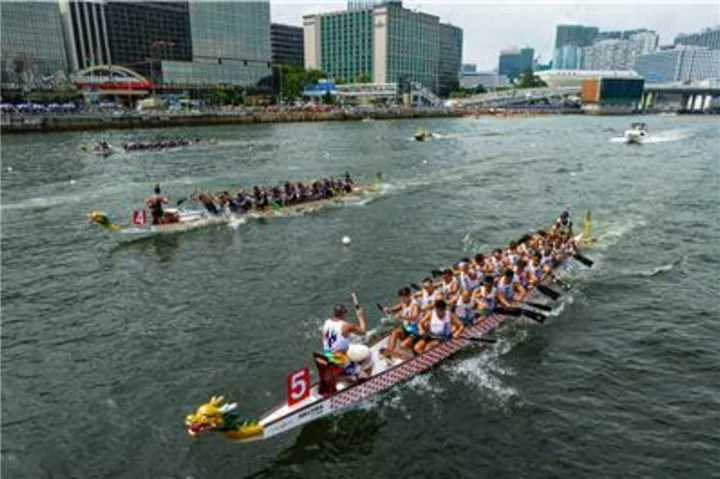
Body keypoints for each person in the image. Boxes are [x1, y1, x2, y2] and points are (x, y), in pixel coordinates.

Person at [321, 303, 370, 377]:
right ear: (344, 314)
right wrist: (360, 316)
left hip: (327, 355)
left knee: (345, 351)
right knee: (367, 355)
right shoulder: (346, 326)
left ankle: (347, 372)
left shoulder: (327, 323)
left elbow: (325, 340)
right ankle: (359, 375)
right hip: (338, 359)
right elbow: (363, 331)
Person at [381, 287, 421, 359]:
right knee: (394, 332)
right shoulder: (403, 303)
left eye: (404, 297)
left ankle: (407, 358)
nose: (403, 300)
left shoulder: (415, 304)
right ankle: (390, 352)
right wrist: (389, 309)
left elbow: (415, 316)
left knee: (403, 345)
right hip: (407, 329)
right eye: (401, 298)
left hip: (415, 331)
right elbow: (396, 308)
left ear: (409, 295)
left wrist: (402, 317)